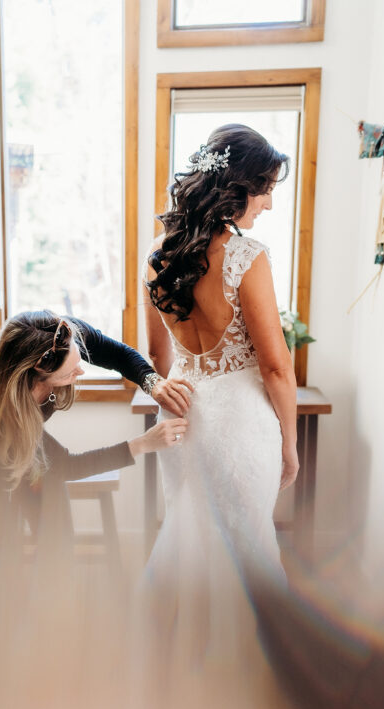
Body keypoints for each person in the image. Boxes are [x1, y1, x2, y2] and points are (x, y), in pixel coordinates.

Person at [142, 123, 299, 665]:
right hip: (239, 426)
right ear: (239, 187)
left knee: (191, 542)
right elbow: (277, 368)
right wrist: (291, 445)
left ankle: (181, 668)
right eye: (266, 188)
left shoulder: (158, 257)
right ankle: (255, 675)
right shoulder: (245, 256)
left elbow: (158, 362)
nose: (271, 203)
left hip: (183, 422)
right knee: (251, 551)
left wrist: (171, 396)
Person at [0, 311, 191, 565]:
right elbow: (65, 465)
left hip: (21, 434)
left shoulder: (60, 335)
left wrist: (152, 382)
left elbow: (119, 354)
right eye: (69, 372)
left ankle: (55, 597)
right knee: (1, 547)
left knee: (56, 531)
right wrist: (143, 444)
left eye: (78, 360)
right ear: (37, 377)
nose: (81, 371)